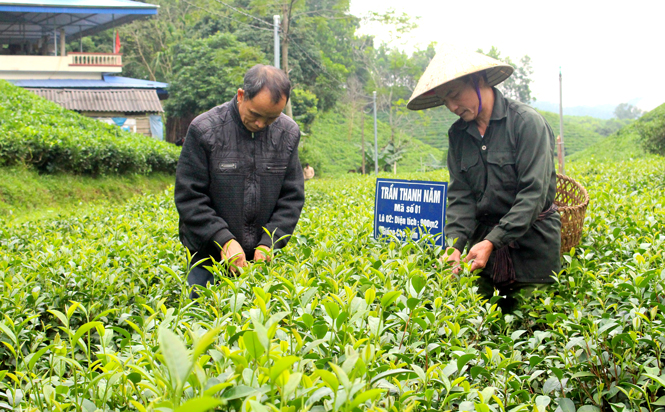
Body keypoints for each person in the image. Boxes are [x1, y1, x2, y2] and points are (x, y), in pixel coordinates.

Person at [407, 45, 561, 312]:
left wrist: (494, 240)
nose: (453, 107)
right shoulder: (458, 136)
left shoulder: (526, 124)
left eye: (454, 95)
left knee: (534, 332)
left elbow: (533, 194)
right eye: (445, 101)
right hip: (483, 258)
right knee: (484, 334)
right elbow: (461, 196)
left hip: (532, 256)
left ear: (479, 80)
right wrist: (454, 245)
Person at [175, 64, 305, 297]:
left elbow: (292, 197)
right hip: (207, 257)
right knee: (202, 321)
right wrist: (223, 240)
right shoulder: (204, 130)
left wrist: (270, 242)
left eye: (271, 118)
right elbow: (190, 198)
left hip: (258, 260)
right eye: (255, 115)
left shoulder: (287, 133)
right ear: (241, 95)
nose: (261, 124)